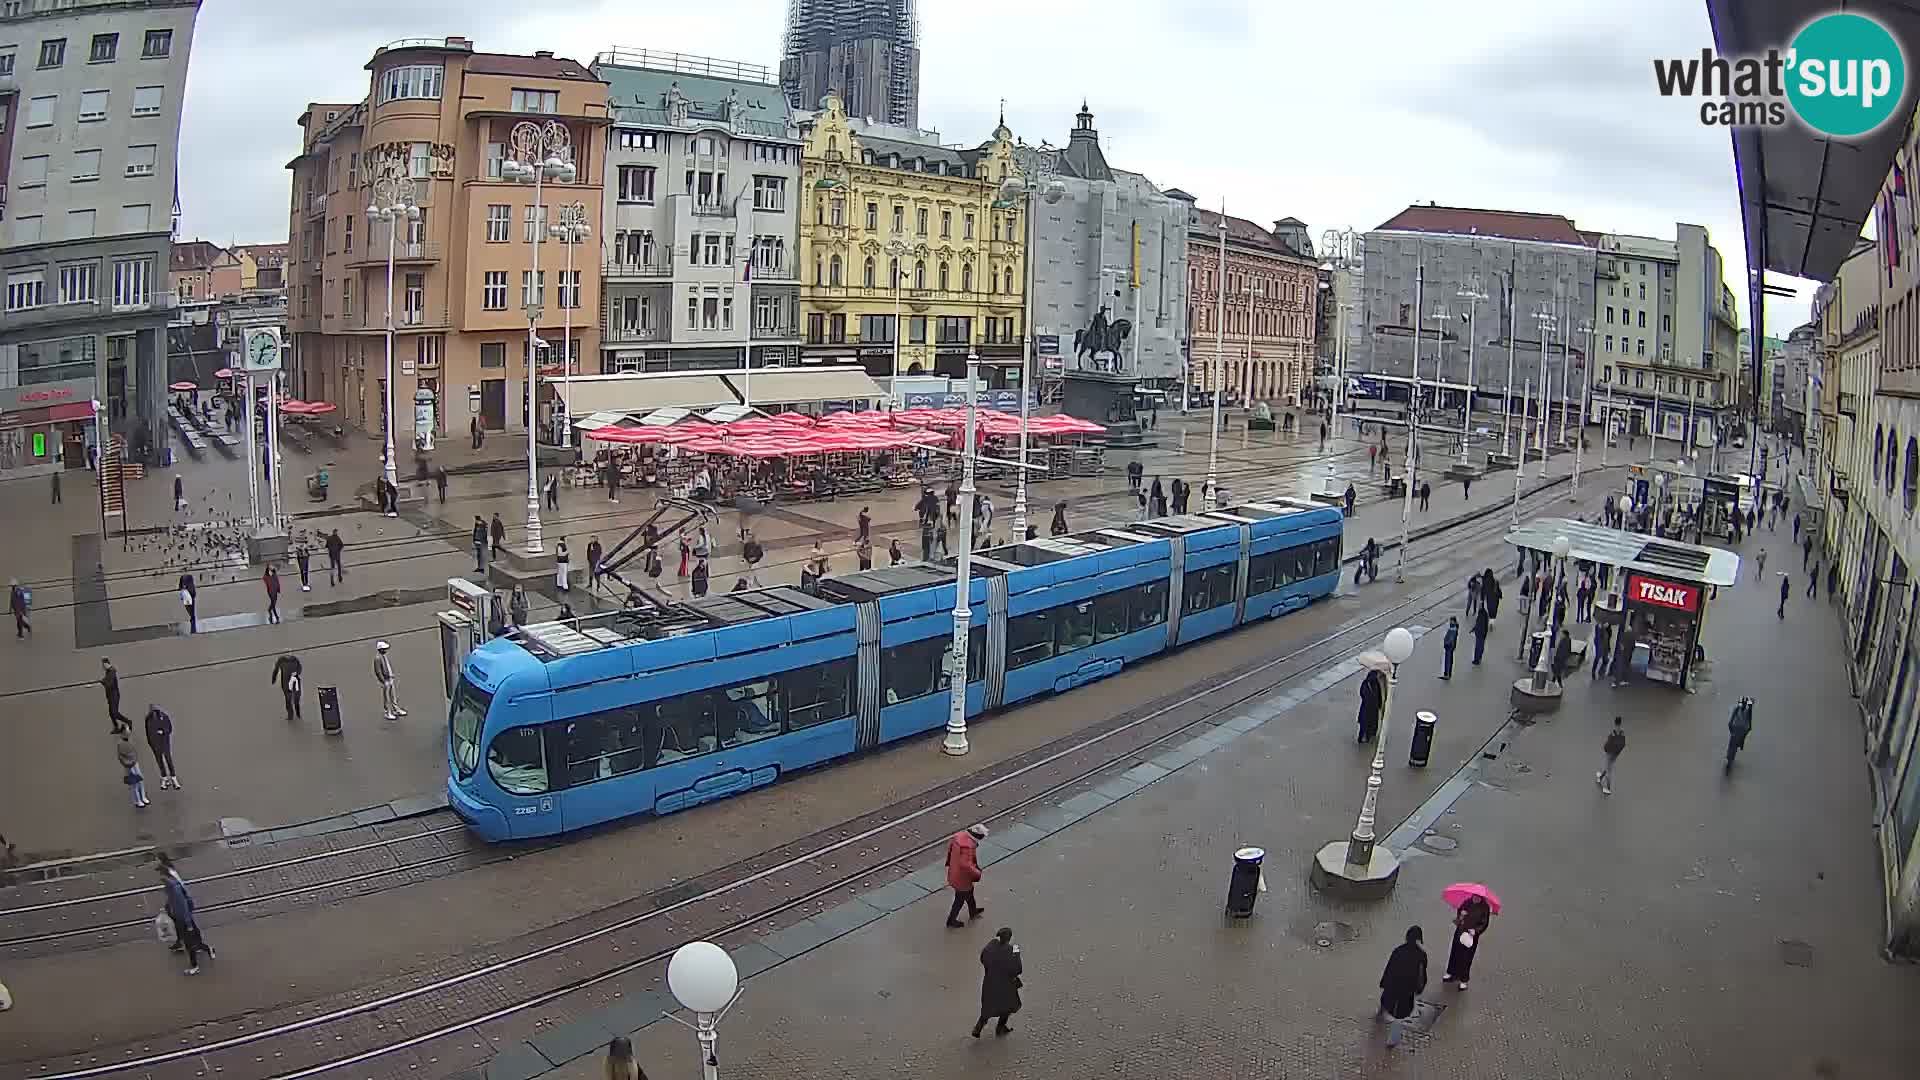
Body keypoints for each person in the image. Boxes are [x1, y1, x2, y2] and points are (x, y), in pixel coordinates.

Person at [159, 855, 213, 975]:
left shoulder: (174, 888)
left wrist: (187, 922)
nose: (160, 879)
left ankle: (195, 966)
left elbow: (182, 905)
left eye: (161, 876)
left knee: (189, 943)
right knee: (192, 940)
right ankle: (207, 949)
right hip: (182, 917)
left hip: (183, 918)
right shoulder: (172, 886)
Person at [1377, 925, 1427, 1049]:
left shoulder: (1398, 950)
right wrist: (1419, 989)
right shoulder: (1421, 955)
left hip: (1393, 986)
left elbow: (1389, 968)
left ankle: (1381, 1012)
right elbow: (1421, 975)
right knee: (1400, 1015)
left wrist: (1384, 983)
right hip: (1407, 990)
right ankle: (1392, 1040)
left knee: (1387, 1001)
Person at [972, 927, 1023, 1038]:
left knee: (988, 1006)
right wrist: (1016, 951)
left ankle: (978, 1027)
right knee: (1008, 1005)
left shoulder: (992, 944)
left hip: (990, 982)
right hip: (1006, 984)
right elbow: (1018, 969)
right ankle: (1000, 1027)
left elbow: (983, 957)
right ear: (1009, 938)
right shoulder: (1012, 949)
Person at [1444, 894, 1492, 990]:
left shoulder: (1485, 908)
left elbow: (1484, 923)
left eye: (1478, 898)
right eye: (1474, 897)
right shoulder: (1466, 902)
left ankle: (1464, 980)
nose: (1475, 899)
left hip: (1471, 936)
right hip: (1461, 931)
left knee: (1467, 957)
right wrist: (1461, 915)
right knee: (1455, 953)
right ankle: (1451, 973)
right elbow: (1459, 914)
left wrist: (1476, 930)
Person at [945, 823, 988, 927]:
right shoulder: (968, 847)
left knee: (969, 893)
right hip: (962, 878)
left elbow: (950, 850)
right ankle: (951, 920)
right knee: (959, 899)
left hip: (955, 872)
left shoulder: (959, 837)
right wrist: (977, 873)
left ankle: (973, 911)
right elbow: (966, 865)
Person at [144, 704, 178, 790]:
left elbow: (169, 729)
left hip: (164, 743)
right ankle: (164, 778)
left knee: (168, 760)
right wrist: (151, 744)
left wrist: (162, 732)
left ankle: (173, 778)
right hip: (155, 745)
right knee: (160, 762)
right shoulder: (148, 720)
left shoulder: (165, 717)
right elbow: (148, 733)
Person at [374, 640, 405, 720]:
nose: (386, 650)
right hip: (386, 680)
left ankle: (396, 710)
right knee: (387, 698)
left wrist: (391, 675)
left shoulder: (384, 656)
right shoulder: (377, 658)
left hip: (390, 679)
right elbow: (378, 671)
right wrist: (383, 681)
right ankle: (387, 712)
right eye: (384, 648)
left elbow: (387, 667)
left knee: (393, 696)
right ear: (380, 649)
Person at [1596, 716, 1626, 794]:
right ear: (1620, 722)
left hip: (1610, 753)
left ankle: (1608, 788)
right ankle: (1600, 777)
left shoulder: (1613, 733)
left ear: (1615, 722)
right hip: (1616, 754)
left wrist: (1606, 749)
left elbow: (1608, 744)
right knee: (1608, 766)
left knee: (1609, 770)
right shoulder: (1622, 732)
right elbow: (1623, 744)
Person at [116, 733, 148, 808]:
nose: (128, 733)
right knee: (134, 783)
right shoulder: (120, 744)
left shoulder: (131, 741)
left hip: (134, 763)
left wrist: (134, 759)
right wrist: (128, 763)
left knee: (140, 779)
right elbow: (120, 757)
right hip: (129, 765)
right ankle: (137, 800)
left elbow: (135, 752)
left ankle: (143, 797)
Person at [100, 658, 130, 734]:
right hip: (110, 696)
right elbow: (107, 679)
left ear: (106, 664)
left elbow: (109, 684)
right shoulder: (108, 671)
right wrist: (103, 680)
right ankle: (116, 727)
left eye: (103, 665)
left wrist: (103, 682)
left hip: (114, 696)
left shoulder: (112, 672)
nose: (102, 667)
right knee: (111, 713)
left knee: (115, 713)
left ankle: (128, 721)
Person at [271, 652, 304, 721]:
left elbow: (276, 670)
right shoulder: (294, 659)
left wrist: (273, 679)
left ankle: (292, 715)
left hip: (288, 683)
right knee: (295, 699)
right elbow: (299, 669)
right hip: (293, 682)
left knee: (289, 699)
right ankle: (296, 714)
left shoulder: (282, 660)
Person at [1357, 667, 1384, 742]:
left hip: (1367, 707)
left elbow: (1362, 693)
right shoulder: (1374, 683)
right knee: (1369, 723)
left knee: (1365, 723)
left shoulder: (1366, 683)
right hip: (1371, 708)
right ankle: (1366, 737)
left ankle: (1364, 737)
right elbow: (1378, 695)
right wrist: (1379, 704)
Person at [1727, 696, 1754, 770]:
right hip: (1736, 728)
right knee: (1733, 743)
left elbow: (1750, 718)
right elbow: (1732, 718)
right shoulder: (1738, 709)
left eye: (1745, 704)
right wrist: (1730, 724)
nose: (1744, 705)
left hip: (1741, 729)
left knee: (1738, 742)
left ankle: (1739, 746)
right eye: (1743, 703)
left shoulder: (1747, 711)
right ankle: (1730, 756)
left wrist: (1749, 727)